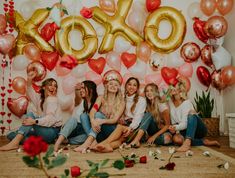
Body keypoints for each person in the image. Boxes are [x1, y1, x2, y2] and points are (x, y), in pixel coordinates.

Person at [0, 71, 63, 151]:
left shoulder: (52, 99)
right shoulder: (40, 99)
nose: (53, 87)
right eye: (50, 85)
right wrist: (29, 79)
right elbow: (30, 91)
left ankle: (15, 143)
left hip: (51, 132)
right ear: (43, 87)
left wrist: (34, 121)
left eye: (55, 86)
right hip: (43, 130)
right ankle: (37, 142)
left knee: (30, 114)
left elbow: (51, 119)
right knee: (11, 135)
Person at [74, 71, 125, 153]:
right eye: (111, 84)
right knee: (83, 116)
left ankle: (87, 143)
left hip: (111, 131)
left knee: (98, 115)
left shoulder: (122, 102)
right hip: (98, 130)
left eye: (116, 85)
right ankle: (93, 141)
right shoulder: (101, 98)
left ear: (118, 88)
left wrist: (101, 121)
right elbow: (93, 111)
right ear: (106, 86)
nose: (113, 86)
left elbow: (115, 120)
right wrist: (93, 121)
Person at [93, 77, 147, 153]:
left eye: (134, 85)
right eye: (129, 84)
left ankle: (103, 143)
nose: (131, 87)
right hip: (125, 124)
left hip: (136, 126)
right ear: (126, 86)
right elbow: (118, 114)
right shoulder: (123, 98)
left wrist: (130, 127)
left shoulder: (141, 100)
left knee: (120, 128)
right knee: (121, 139)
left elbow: (139, 116)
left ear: (137, 88)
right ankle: (109, 147)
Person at [167, 80, 220, 152]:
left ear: (181, 91)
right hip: (184, 130)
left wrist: (176, 127)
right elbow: (175, 121)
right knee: (177, 140)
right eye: (172, 87)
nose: (172, 88)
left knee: (191, 114)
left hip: (198, 129)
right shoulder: (171, 102)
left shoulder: (186, 103)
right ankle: (203, 142)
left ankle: (187, 143)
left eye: (174, 87)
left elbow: (185, 123)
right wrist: (173, 128)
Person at [54, 80, 98, 152]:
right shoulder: (81, 101)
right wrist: (76, 90)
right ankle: (58, 142)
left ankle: (67, 141)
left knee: (88, 136)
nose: (81, 90)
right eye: (80, 88)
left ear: (91, 89)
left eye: (83, 88)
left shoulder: (97, 102)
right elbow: (77, 98)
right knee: (73, 119)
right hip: (72, 127)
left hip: (84, 131)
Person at [128, 83, 172, 148]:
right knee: (148, 114)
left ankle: (146, 138)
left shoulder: (162, 105)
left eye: (151, 90)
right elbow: (141, 117)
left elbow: (167, 125)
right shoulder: (146, 104)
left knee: (167, 139)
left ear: (156, 92)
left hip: (161, 131)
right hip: (151, 130)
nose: (149, 93)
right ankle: (137, 140)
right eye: (147, 91)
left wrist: (154, 136)